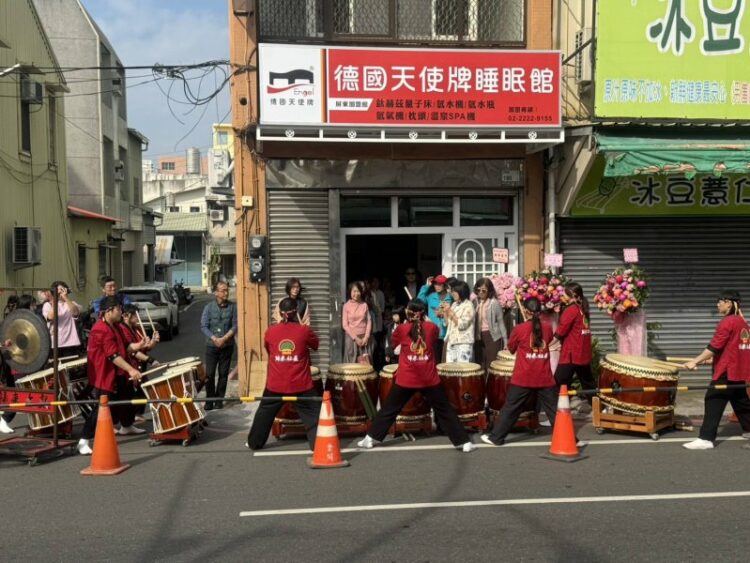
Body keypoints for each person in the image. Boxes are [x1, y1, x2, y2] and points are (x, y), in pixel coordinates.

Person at [358, 300, 476, 453]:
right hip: (429, 379)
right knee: (445, 410)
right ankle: (464, 442)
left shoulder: (401, 329)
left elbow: (393, 346)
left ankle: (370, 438)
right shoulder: (431, 328)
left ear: (408, 313)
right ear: (423, 313)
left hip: (407, 379)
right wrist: (426, 319)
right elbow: (434, 333)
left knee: (389, 409)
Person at [481, 298, 562, 446]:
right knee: (554, 410)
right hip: (543, 376)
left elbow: (511, 349)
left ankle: (496, 438)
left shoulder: (519, 329)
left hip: (524, 376)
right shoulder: (548, 327)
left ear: (525, 311)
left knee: (511, 408)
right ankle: (568, 438)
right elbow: (548, 340)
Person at [246, 298, 321, 450]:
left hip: (276, 383)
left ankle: (254, 443)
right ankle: (318, 445)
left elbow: (270, 350)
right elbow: (315, 345)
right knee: (313, 413)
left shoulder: (270, 331)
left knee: (264, 412)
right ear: (297, 312)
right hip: (301, 384)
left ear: (280, 313)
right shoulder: (304, 330)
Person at [682, 290, 750, 450]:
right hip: (738, 369)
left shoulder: (727, 322)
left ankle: (706, 438)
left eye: (720, 301)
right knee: (741, 403)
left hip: (727, 370)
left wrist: (695, 361)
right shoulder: (742, 322)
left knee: (713, 399)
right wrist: (713, 360)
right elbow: (734, 347)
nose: (717, 304)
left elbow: (715, 346)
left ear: (728, 303)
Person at [78, 297, 142, 455]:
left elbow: (126, 347)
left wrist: (142, 345)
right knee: (101, 408)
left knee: (127, 397)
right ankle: (83, 440)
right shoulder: (101, 329)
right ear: (108, 311)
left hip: (117, 372)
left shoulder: (116, 326)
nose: (121, 312)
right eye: (118, 309)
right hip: (104, 374)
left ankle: (126, 426)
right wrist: (131, 370)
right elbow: (113, 356)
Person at [550, 282, 595, 403]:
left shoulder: (571, 310)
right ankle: (599, 408)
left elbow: (560, 331)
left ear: (572, 295)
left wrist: (547, 344)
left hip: (572, 353)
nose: (562, 296)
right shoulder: (582, 308)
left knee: (559, 382)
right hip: (583, 353)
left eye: (564, 294)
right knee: (588, 383)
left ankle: (554, 410)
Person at [118, 304, 159, 430]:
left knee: (142, 391)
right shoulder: (123, 329)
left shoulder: (136, 328)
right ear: (126, 316)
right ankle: (130, 418)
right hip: (131, 365)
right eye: (135, 315)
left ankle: (133, 418)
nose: (138, 317)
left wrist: (154, 341)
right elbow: (132, 351)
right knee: (136, 392)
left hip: (140, 364)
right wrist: (150, 360)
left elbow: (146, 347)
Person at [200, 281, 237, 410]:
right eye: (223, 290)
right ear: (216, 292)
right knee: (209, 374)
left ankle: (219, 400)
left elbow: (235, 325)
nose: (226, 293)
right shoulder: (208, 307)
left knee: (223, 374)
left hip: (227, 346)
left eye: (227, 290)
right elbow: (204, 326)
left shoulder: (233, 307)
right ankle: (209, 400)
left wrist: (224, 338)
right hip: (212, 346)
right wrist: (214, 338)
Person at [473, 278, 507, 376]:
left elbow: (501, 322)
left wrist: (506, 341)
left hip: (492, 335)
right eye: (478, 290)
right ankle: (482, 384)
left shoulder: (494, 303)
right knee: (479, 363)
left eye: (483, 290)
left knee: (491, 363)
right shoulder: (475, 302)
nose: (480, 292)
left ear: (489, 291)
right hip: (478, 335)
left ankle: (490, 384)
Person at [417, 274, 453, 363]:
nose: (437, 286)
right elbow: (419, 300)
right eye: (435, 284)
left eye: (440, 284)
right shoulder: (431, 296)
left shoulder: (451, 297)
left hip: (447, 333)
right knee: (434, 360)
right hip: (433, 333)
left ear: (445, 285)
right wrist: (426, 286)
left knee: (446, 361)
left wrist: (444, 313)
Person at [42, 281, 81, 358]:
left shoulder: (72, 303)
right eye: (58, 290)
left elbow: (75, 313)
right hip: (54, 343)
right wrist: (54, 300)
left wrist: (66, 298)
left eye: (62, 289)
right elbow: (50, 317)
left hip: (71, 342)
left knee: (71, 364)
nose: (60, 292)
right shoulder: (48, 305)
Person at [442, 281, 475, 363]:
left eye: (455, 292)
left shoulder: (469, 305)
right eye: (452, 291)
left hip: (463, 343)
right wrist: (445, 311)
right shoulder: (454, 304)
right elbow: (447, 323)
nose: (453, 294)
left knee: (463, 368)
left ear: (462, 292)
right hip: (452, 341)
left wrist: (450, 311)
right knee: (451, 368)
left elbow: (462, 324)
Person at [342, 281, 373, 364]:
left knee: (365, 366)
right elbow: (345, 325)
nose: (356, 293)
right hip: (351, 339)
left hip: (364, 340)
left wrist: (366, 337)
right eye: (354, 291)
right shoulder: (346, 306)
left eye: (358, 291)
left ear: (361, 292)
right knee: (351, 366)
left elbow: (369, 321)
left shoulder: (364, 305)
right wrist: (355, 338)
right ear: (350, 292)